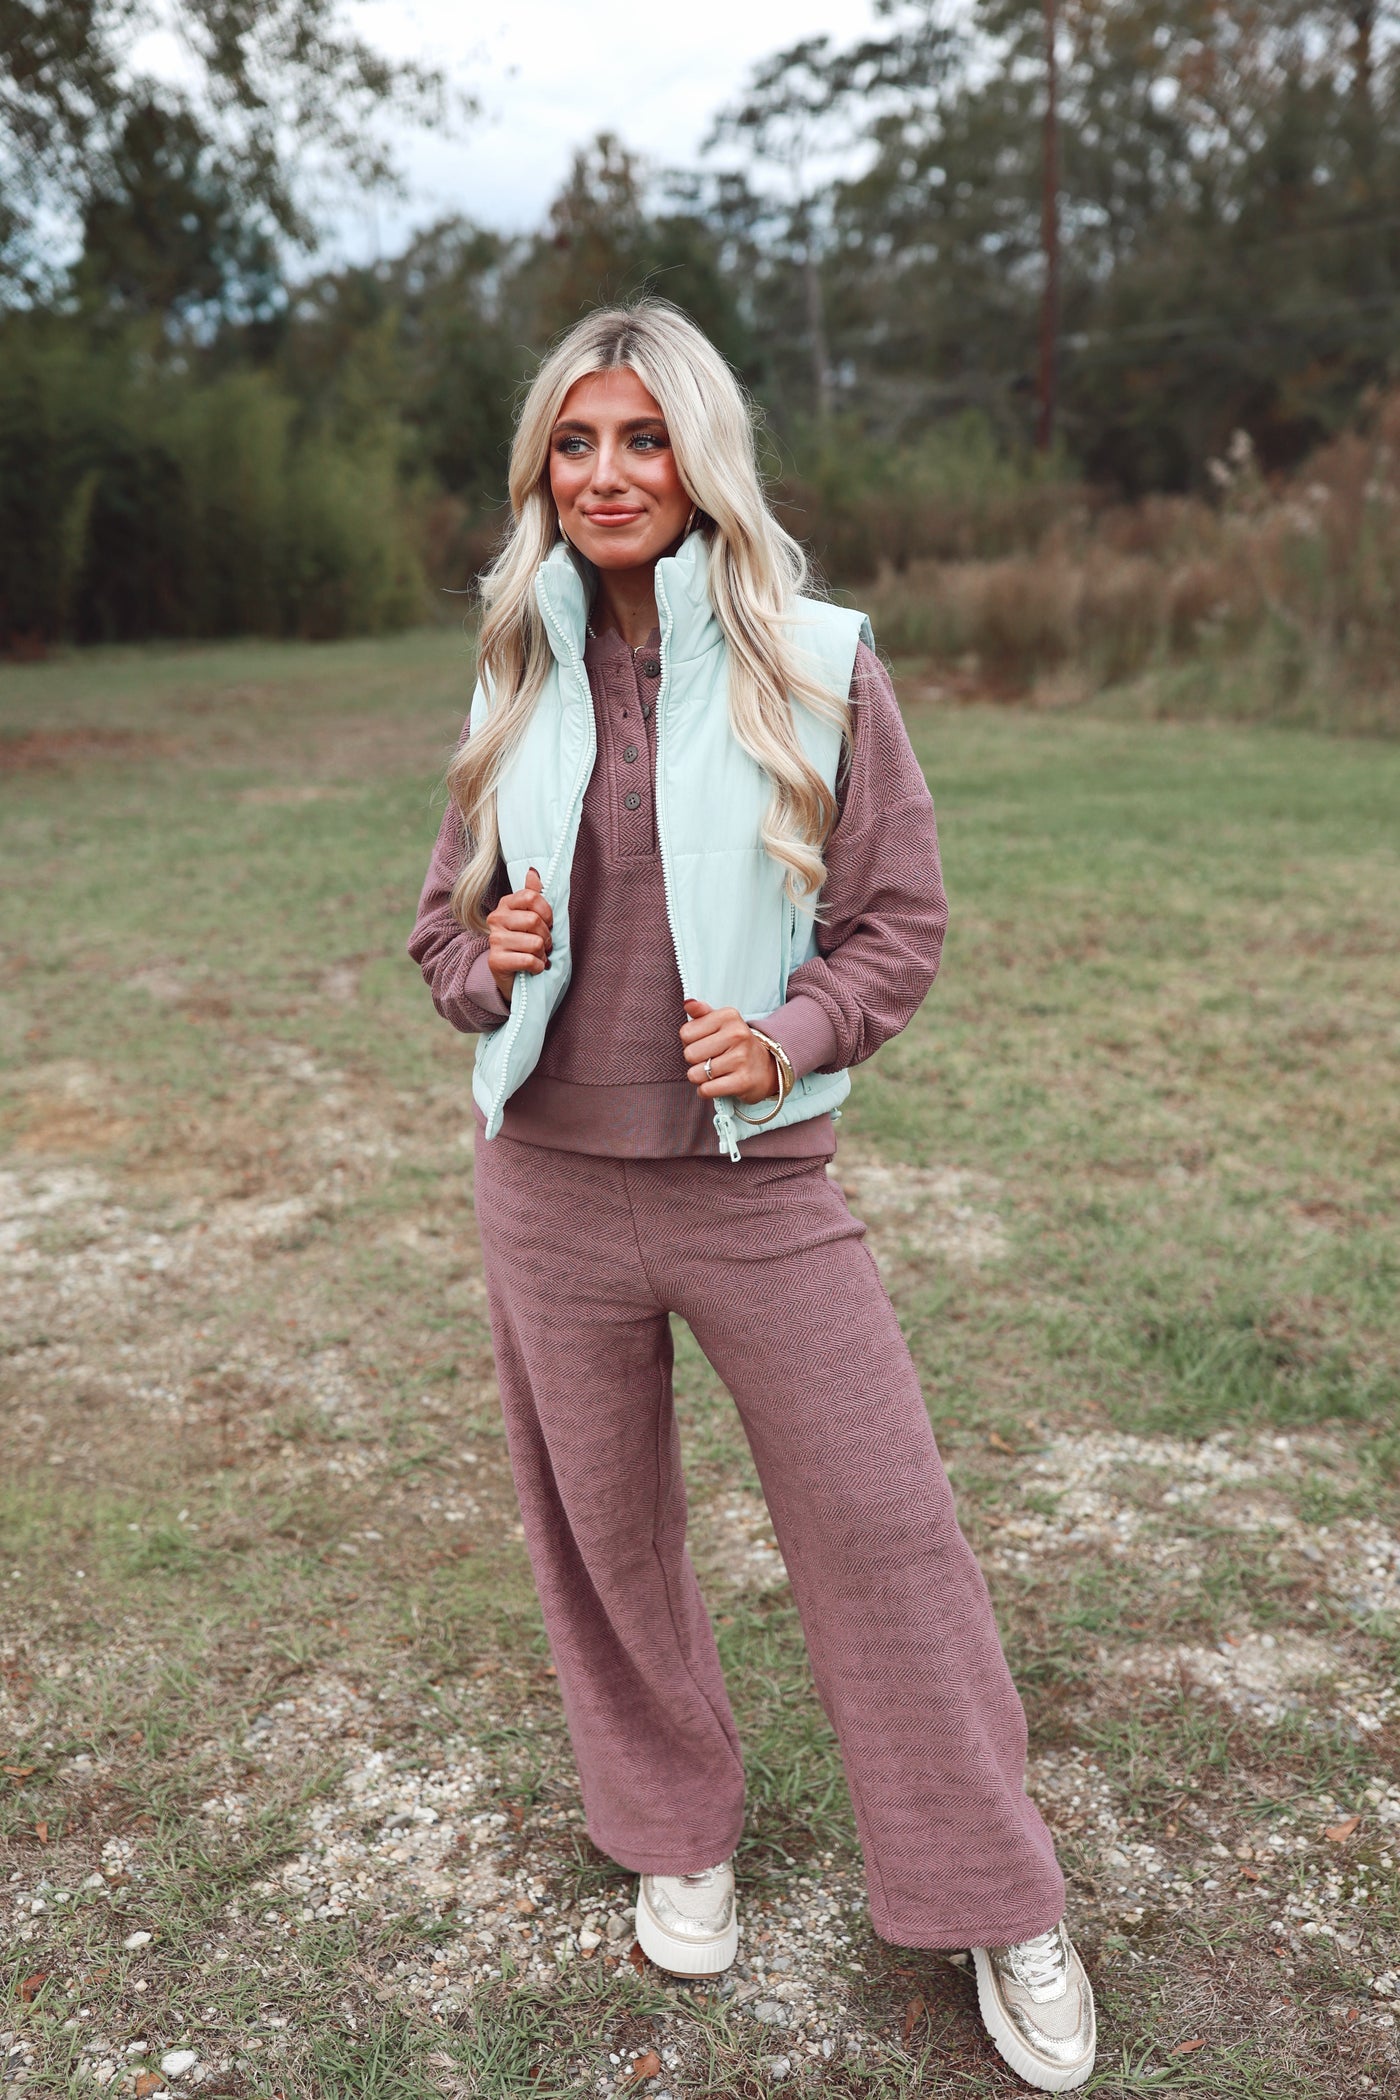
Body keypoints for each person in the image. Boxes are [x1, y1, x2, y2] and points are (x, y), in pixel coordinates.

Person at [408, 301, 1096, 2093]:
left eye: (643, 440)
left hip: (757, 1190)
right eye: (577, 443)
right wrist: (487, 954)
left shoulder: (819, 661)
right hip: (547, 1184)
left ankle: (996, 1893)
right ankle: (675, 1829)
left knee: (887, 1531)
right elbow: (439, 938)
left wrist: (790, 1036)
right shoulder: (517, 671)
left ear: (700, 460)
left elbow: (897, 925)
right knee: (605, 1535)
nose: (610, 475)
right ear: (541, 472)